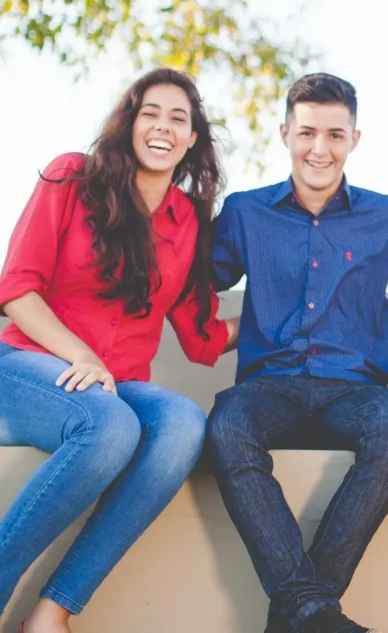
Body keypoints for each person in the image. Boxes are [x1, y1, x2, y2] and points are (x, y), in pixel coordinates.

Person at [0, 68, 238, 633]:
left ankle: (51, 611)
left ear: (193, 139)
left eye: (178, 118)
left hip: (115, 384)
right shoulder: (71, 178)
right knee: (110, 427)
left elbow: (200, 334)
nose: (162, 127)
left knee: (182, 422)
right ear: (129, 124)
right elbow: (16, 289)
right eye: (150, 113)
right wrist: (80, 354)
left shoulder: (188, 222)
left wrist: (289, 314)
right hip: (26, 365)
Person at [204, 73, 388, 633]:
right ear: (285, 133)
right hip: (268, 386)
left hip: (354, 390)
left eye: (335, 134)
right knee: (227, 424)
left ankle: (302, 613)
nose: (319, 148)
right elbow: (190, 283)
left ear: (356, 138)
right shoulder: (245, 212)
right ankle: (316, 613)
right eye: (307, 133)